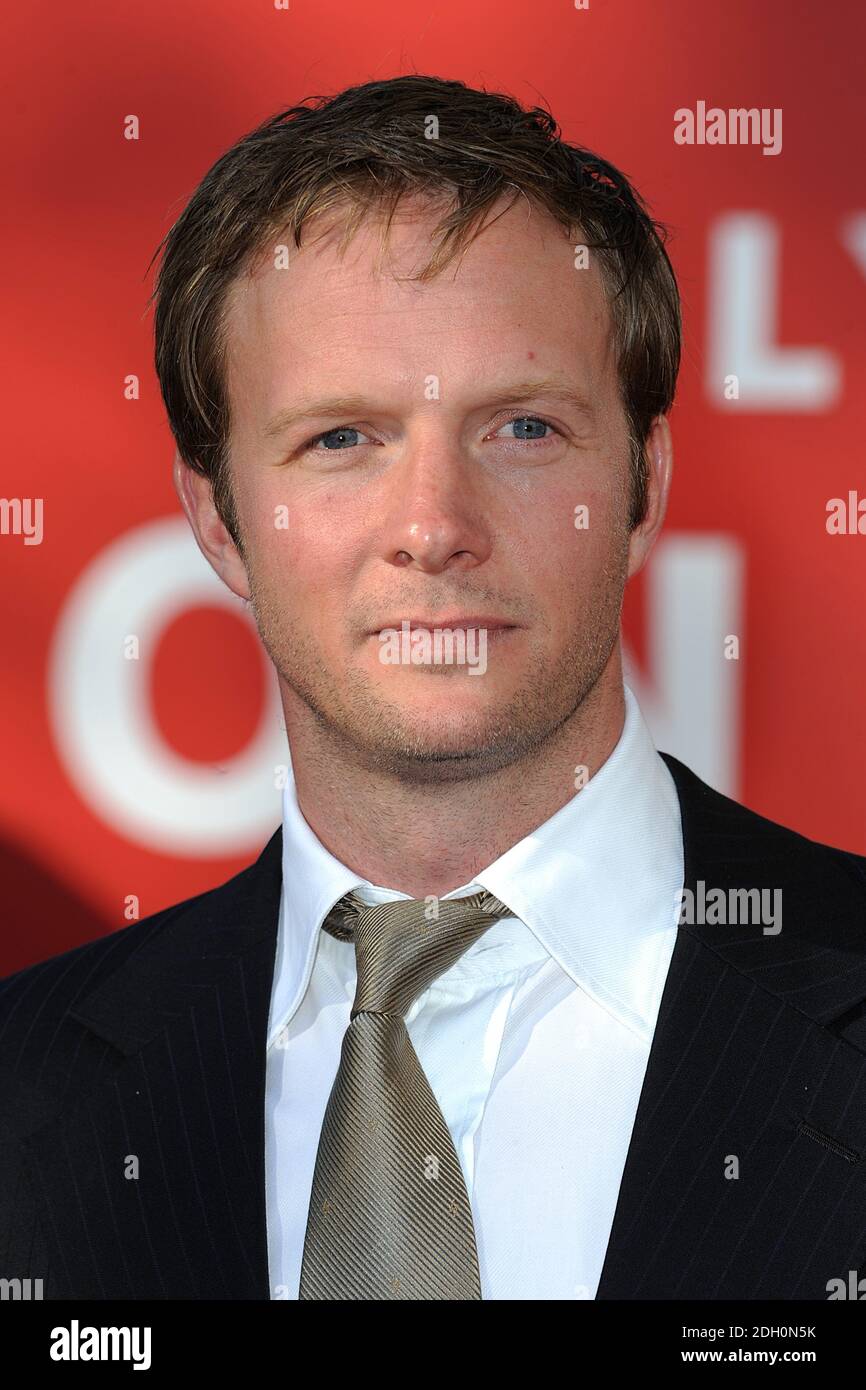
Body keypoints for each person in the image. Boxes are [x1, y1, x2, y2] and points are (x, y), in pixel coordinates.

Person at [2, 74, 865, 1302]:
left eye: (520, 428)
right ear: (218, 519)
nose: (433, 526)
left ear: (642, 484)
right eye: (339, 439)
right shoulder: (23, 1098)